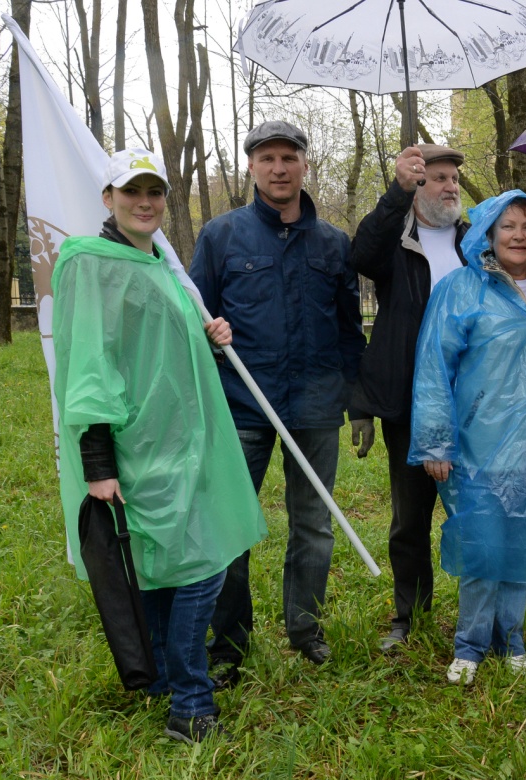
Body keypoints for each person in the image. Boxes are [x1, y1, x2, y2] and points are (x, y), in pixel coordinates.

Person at [52, 148, 266, 742]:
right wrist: (98, 463)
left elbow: (155, 343)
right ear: (108, 199)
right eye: (131, 193)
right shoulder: (92, 264)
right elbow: (91, 365)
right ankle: (191, 706)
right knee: (201, 568)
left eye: (154, 193)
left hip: (183, 444)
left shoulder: (157, 266)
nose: (144, 203)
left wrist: (206, 331)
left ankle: (166, 679)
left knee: (173, 567)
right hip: (138, 447)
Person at [189, 120, 366, 684]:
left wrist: (358, 401)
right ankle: (228, 643)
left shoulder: (334, 244)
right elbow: (193, 321)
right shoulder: (221, 237)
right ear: (251, 167)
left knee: (313, 525)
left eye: (289, 157)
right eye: (267, 158)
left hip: (315, 409)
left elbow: (347, 331)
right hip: (242, 406)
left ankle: (305, 629)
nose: (279, 168)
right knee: (232, 527)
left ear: (304, 165)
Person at [408, 190, 526, 686]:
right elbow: (433, 368)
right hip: (478, 444)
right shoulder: (461, 289)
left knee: (522, 542)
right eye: (508, 226)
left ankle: (512, 640)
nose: (519, 236)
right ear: (488, 232)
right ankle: (470, 644)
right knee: (483, 545)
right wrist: (436, 442)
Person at [349, 143, 469, 653]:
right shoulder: (396, 243)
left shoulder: (477, 242)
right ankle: (409, 615)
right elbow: (360, 254)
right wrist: (395, 193)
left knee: (475, 512)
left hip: (473, 400)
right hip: (409, 402)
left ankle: (481, 616)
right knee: (410, 519)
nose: (449, 186)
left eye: (453, 180)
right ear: (417, 186)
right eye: (436, 177)